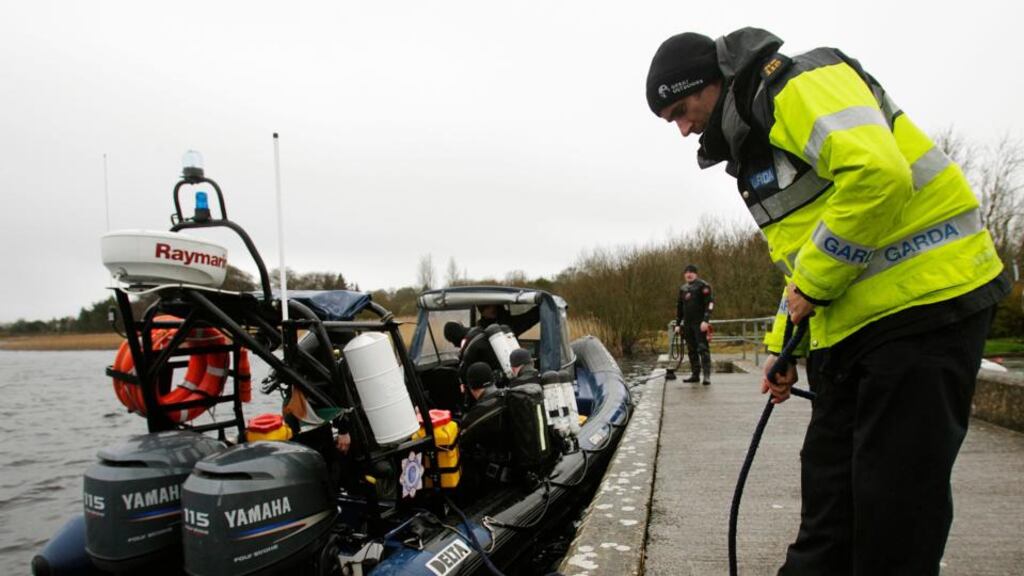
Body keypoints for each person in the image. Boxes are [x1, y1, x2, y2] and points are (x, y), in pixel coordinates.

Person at [646, 28, 1009, 575]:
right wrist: (781, 348)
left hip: (927, 302)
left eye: (682, 108)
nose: (682, 128)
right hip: (856, 325)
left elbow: (878, 175)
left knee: (893, 509)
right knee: (829, 503)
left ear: (713, 82)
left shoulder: (799, 85)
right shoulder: (754, 147)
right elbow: (803, 264)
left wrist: (812, 288)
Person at [459, 362, 511, 493]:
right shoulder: (508, 395)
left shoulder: (477, 413)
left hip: (498, 480)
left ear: (471, 387)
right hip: (516, 467)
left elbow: (461, 440)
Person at [675, 263, 714, 384]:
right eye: (686, 272)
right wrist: (677, 324)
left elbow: (710, 304)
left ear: (695, 274)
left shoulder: (703, 286)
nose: (688, 274)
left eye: (691, 272)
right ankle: (695, 374)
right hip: (687, 324)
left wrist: (705, 321)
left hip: (700, 323)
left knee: (703, 349)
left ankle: (706, 376)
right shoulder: (683, 289)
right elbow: (679, 308)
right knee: (691, 350)